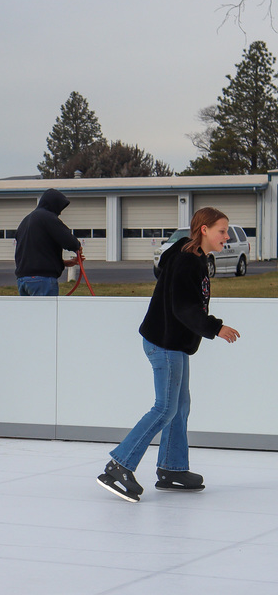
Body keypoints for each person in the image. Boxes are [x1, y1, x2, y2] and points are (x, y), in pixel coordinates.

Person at [97, 207, 240, 502]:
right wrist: (216, 327)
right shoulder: (187, 260)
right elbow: (183, 307)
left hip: (173, 342)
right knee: (164, 408)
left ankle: (172, 468)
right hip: (164, 343)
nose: (227, 236)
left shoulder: (193, 256)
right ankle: (118, 466)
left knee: (180, 407)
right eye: (222, 231)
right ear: (204, 230)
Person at [14, 188, 83, 296]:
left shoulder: (26, 220)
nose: (60, 212)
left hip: (23, 280)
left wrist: (62, 263)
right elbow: (67, 239)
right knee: (46, 308)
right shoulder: (47, 217)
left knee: (31, 308)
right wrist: (77, 246)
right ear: (54, 204)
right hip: (42, 281)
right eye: (59, 208)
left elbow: (34, 253)